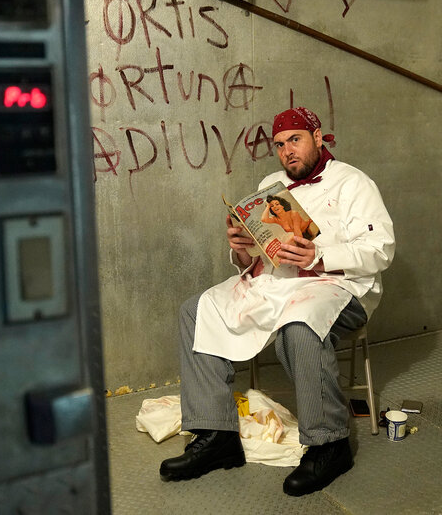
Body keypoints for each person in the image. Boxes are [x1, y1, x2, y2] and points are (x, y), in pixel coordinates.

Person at [160, 106, 395, 496]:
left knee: (299, 328)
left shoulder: (354, 183)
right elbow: (258, 254)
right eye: (281, 145)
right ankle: (216, 435)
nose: (288, 151)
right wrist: (242, 249)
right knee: (196, 310)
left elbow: (381, 249)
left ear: (317, 138)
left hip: (336, 286)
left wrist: (319, 255)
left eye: (296, 140)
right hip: (274, 284)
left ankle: (328, 445)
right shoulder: (272, 183)